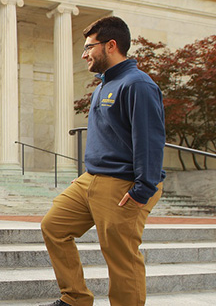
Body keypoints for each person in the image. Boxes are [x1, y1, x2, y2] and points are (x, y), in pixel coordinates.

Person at [40, 16, 166, 306]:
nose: (84, 54)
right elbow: (109, 137)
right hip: (91, 180)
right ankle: (75, 298)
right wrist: (88, 174)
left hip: (124, 184)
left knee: (121, 257)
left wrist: (142, 190)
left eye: (89, 47)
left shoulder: (138, 85)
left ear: (111, 45)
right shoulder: (103, 85)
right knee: (54, 226)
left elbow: (150, 140)